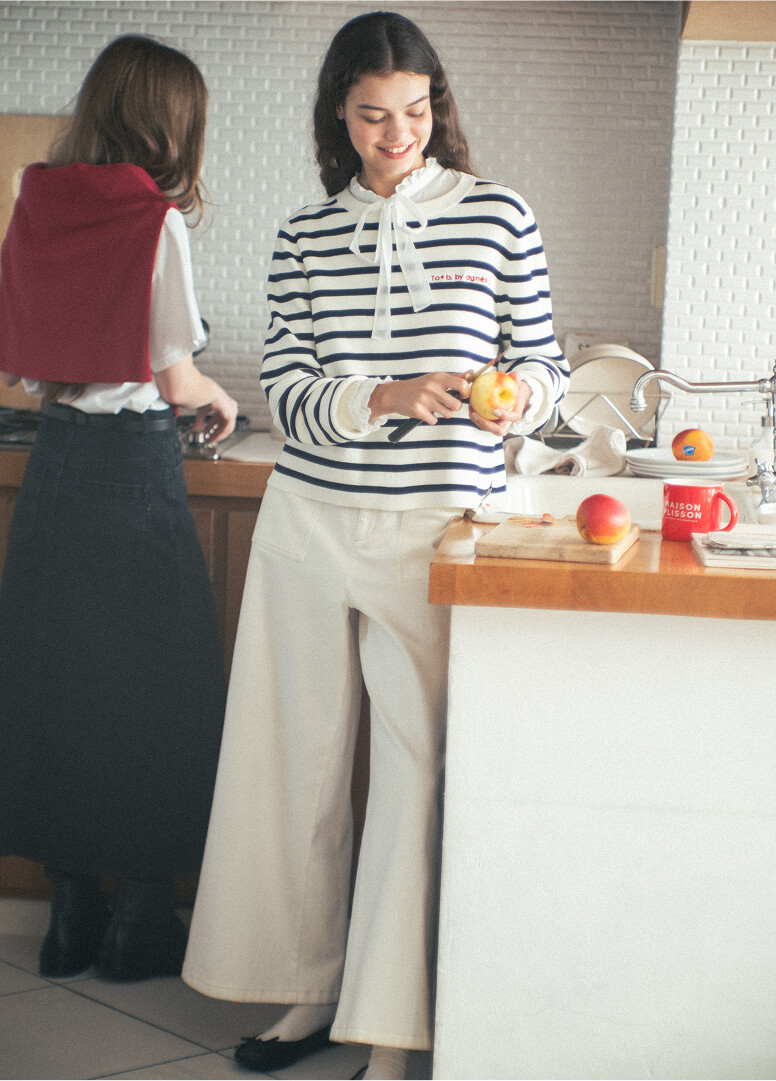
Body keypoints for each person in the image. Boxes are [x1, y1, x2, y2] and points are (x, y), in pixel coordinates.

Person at [182, 11, 568, 1078]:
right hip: (309, 523)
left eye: (414, 111)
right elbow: (287, 391)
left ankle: (390, 1024)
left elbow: (545, 363)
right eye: (371, 116)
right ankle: (304, 990)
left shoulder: (497, 216)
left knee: (412, 770)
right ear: (337, 118)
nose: (397, 134)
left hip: (438, 526)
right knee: (291, 764)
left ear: (437, 106)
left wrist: (514, 399)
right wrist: (385, 394)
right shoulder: (305, 235)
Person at [0, 34, 238, 983]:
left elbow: (29, 357)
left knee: (56, 685)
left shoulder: (37, 198)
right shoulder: (155, 218)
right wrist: (217, 398)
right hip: (134, 471)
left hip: (57, 462)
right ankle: (138, 923)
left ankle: (68, 922)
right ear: (173, 123)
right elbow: (175, 376)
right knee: (158, 692)